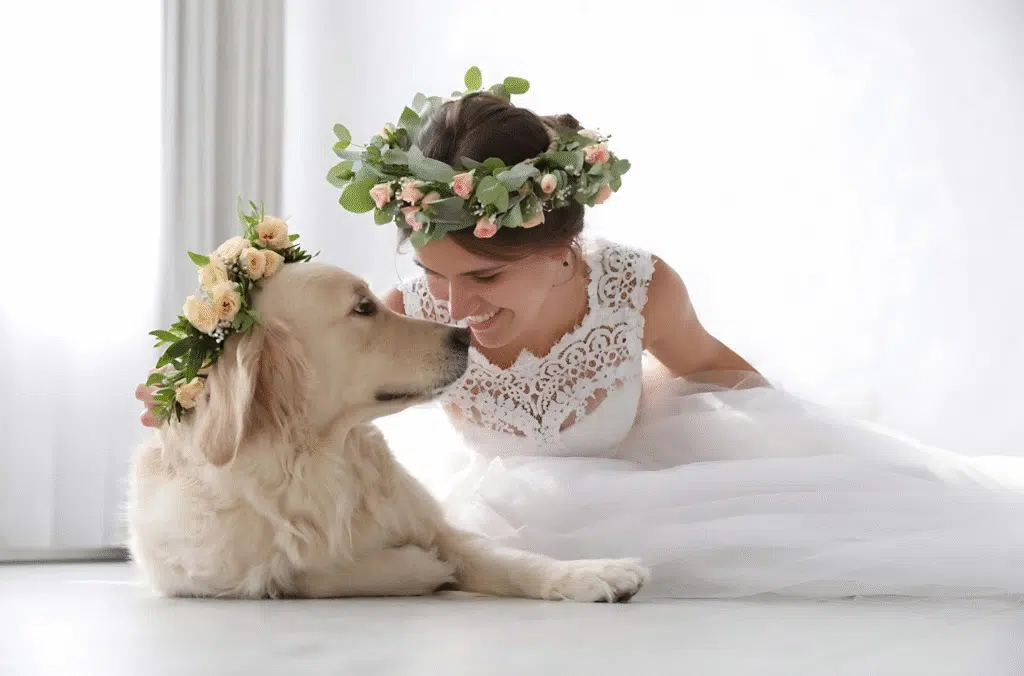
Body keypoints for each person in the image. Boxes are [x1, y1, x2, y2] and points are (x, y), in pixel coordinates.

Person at [138, 89, 1024, 601]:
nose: (456, 306)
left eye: (485, 282)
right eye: (435, 274)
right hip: (502, 499)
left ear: (560, 254)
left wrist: (815, 451)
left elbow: (718, 372)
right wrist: (196, 397)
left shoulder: (635, 288)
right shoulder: (414, 317)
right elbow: (320, 390)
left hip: (637, 485)